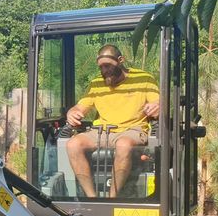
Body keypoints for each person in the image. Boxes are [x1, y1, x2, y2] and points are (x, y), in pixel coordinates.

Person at [65, 44, 159, 198]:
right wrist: (72, 112)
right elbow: (79, 107)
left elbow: (158, 103)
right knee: (73, 144)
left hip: (133, 130)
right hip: (102, 132)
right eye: (101, 67)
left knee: (123, 144)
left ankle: (111, 200)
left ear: (120, 60)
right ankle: (92, 199)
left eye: (107, 66)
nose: (104, 71)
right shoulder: (97, 83)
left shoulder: (143, 79)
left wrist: (157, 106)